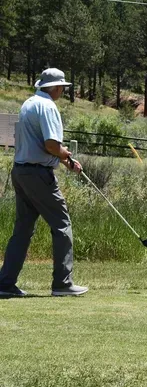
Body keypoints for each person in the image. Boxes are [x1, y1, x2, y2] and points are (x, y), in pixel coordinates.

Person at [0, 68, 88, 298]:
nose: (63, 91)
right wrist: (64, 152)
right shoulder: (48, 106)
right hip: (38, 174)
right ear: (57, 87)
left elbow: (40, 145)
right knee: (62, 225)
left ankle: (5, 283)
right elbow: (50, 144)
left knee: (22, 230)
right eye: (63, 87)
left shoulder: (29, 102)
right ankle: (62, 283)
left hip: (21, 171)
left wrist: (66, 160)